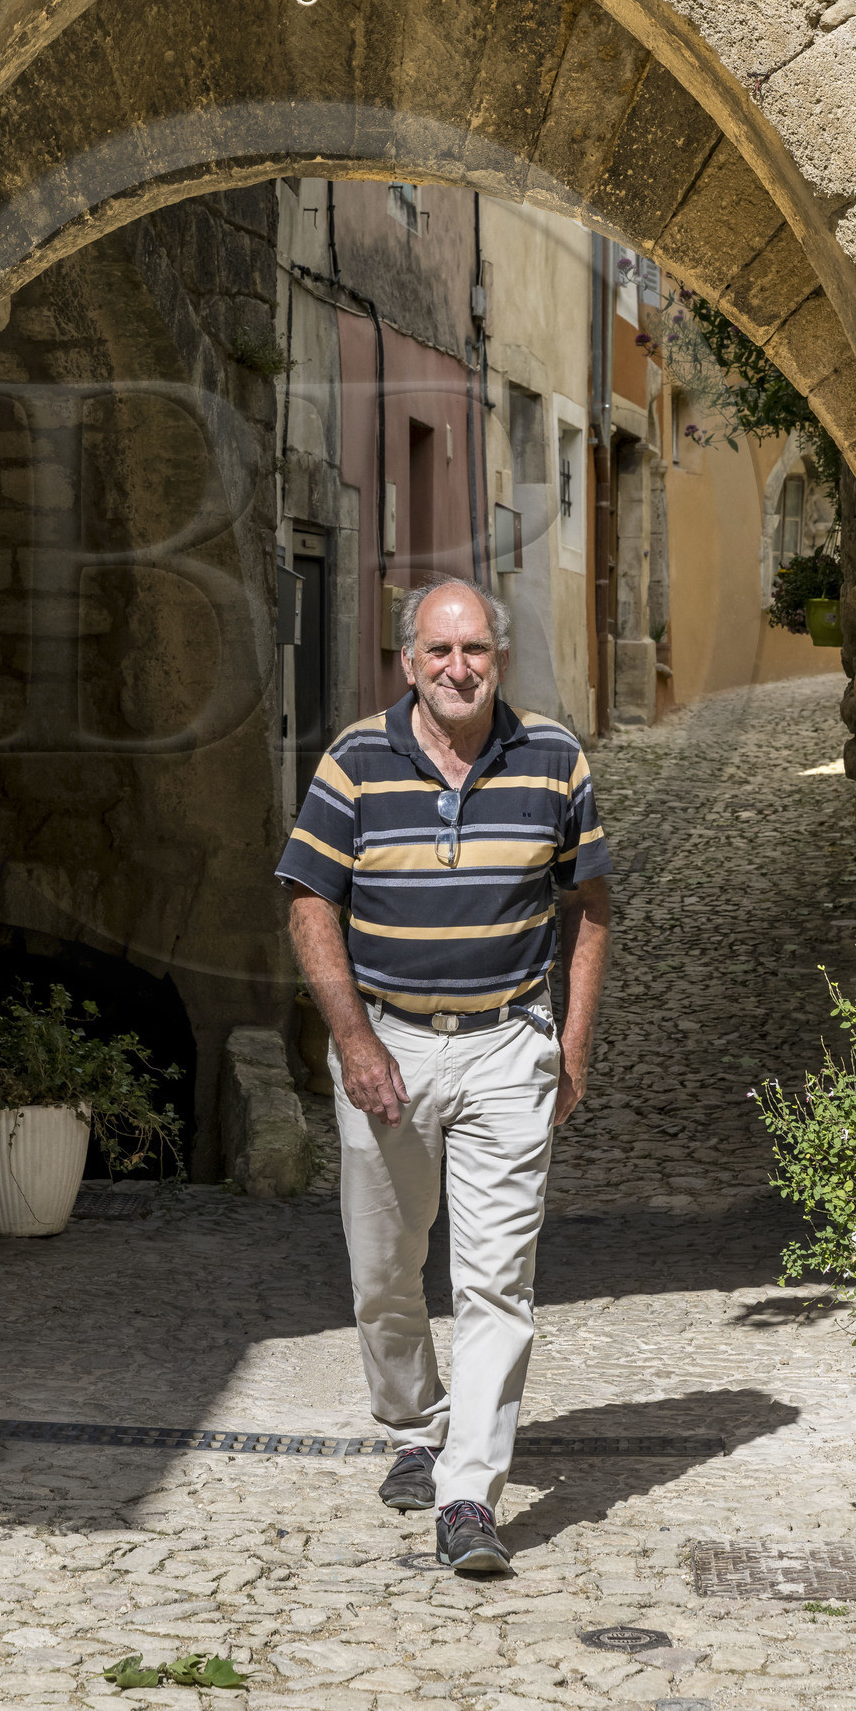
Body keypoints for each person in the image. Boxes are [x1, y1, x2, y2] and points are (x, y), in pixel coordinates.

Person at [277, 576, 612, 1577]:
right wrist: (353, 1040)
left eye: (474, 651)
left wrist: (571, 1045)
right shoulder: (354, 760)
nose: (457, 669)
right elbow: (307, 902)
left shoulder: (553, 758)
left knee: (495, 1280)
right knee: (384, 1268)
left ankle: (468, 1495)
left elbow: (589, 907)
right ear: (408, 661)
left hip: (509, 1045)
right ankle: (411, 1426)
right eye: (438, 652)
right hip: (389, 1047)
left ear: (495, 657)